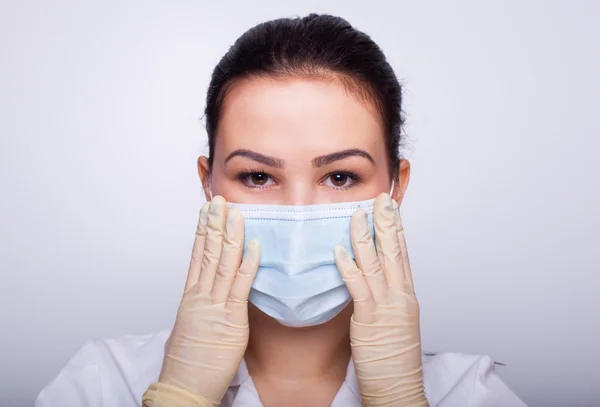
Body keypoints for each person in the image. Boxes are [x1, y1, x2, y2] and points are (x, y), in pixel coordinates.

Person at [34, 14, 526, 407]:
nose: (297, 216)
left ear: (395, 188)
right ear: (208, 183)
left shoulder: (469, 392)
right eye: (257, 176)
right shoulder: (100, 383)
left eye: (339, 177)